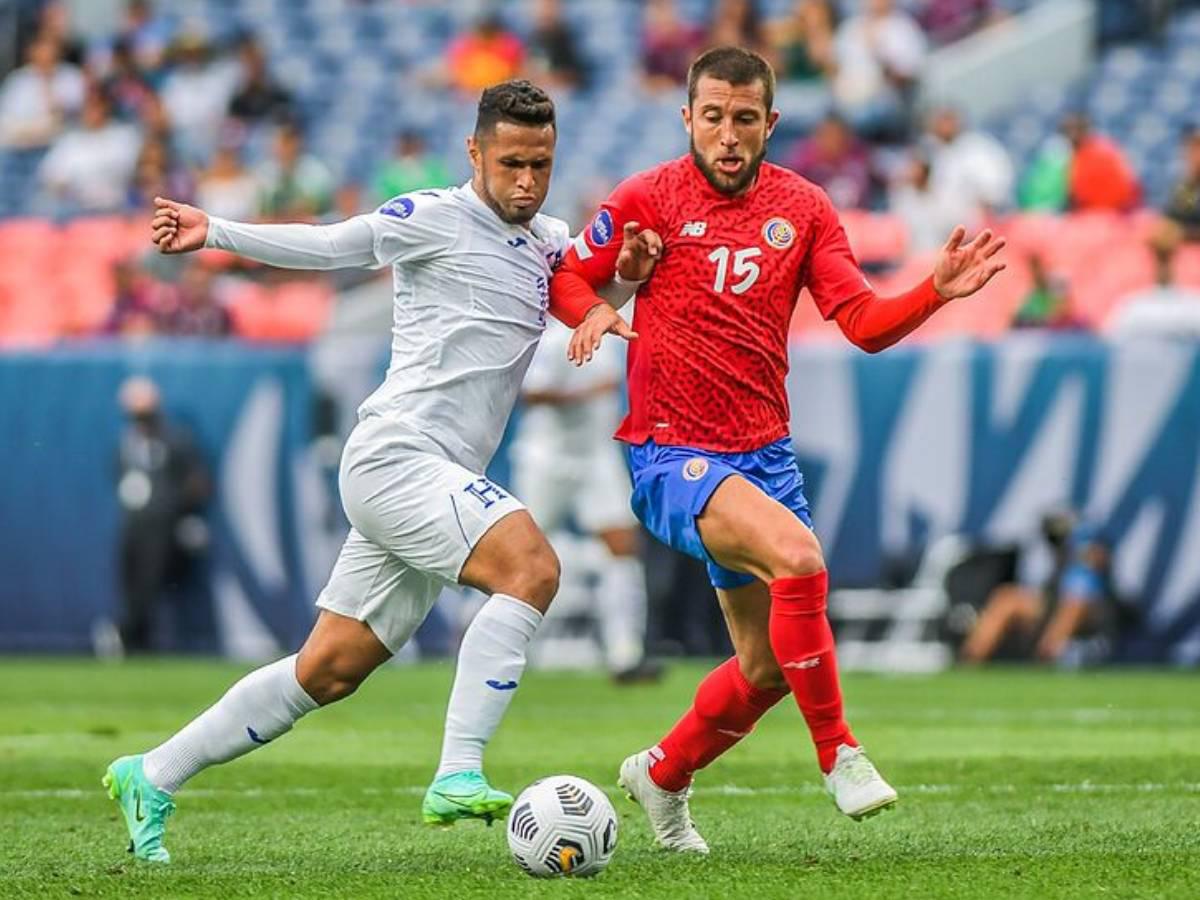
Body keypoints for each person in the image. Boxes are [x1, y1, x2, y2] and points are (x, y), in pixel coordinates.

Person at [102, 80, 642, 863]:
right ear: (476, 153)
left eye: (542, 165)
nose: (527, 181)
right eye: (513, 163)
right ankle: (458, 770)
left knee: (328, 670)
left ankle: (150, 773)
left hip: (442, 477)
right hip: (398, 457)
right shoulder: (433, 217)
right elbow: (331, 246)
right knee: (531, 567)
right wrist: (213, 229)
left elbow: (591, 293)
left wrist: (621, 278)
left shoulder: (549, 239)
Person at [550, 46, 1005, 853]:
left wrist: (933, 290)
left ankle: (661, 776)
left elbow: (861, 325)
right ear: (687, 116)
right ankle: (840, 752)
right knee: (800, 557)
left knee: (763, 669)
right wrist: (593, 309)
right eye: (714, 117)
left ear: (771, 123)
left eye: (746, 119)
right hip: (669, 453)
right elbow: (569, 279)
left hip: (762, 458)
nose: (729, 135)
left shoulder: (804, 207)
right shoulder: (645, 198)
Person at [511, 320, 659, 683]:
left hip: (597, 456)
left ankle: (625, 654)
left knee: (622, 547)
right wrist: (587, 393)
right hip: (547, 458)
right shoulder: (553, 339)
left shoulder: (611, 334)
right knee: (518, 554)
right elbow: (531, 394)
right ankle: (508, 649)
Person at [113, 377, 211, 653]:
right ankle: (131, 638)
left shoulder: (174, 440)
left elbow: (198, 482)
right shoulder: (127, 443)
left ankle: (138, 638)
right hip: (134, 523)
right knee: (130, 582)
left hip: (163, 526)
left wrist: (175, 507)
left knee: (152, 583)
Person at [960, 512, 1115, 665]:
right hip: (1051, 603)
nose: (1058, 543)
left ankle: (1047, 659)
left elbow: (1088, 589)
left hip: (1091, 608)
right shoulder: (1042, 553)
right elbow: (1041, 591)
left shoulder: (1089, 549)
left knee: (1074, 605)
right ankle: (969, 661)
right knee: (1006, 598)